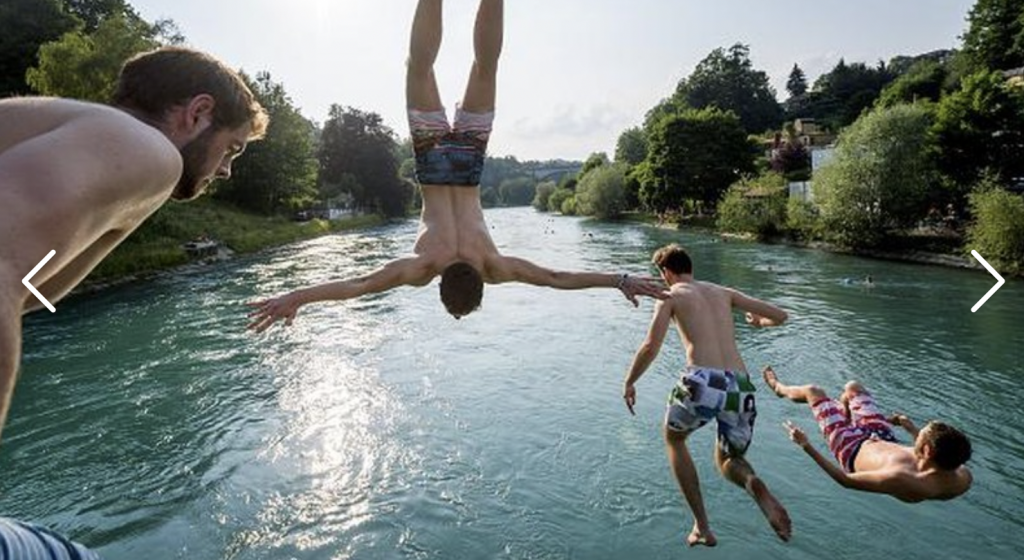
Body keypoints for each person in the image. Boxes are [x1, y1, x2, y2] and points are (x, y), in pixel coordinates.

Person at [247, 0, 664, 332]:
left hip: (468, 162)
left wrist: (621, 280)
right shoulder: (422, 267)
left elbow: (557, 277)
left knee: (485, 67)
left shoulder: (492, 265)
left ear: (480, 285)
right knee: (420, 66)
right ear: (439, 286)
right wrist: (295, 297)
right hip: (431, 160)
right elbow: (358, 285)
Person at [0, 46, 268, 556]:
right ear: (198, 113)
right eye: (232, 149)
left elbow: (27, 288)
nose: (227, 171)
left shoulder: (65, 127)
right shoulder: (147, 150)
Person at [622, 244, 791, 547]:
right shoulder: (723, 291)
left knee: (674, 439)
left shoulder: (670, 295)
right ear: (690, 267)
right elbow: (781, 315)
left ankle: (701, 525)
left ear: (666, 272)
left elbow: (651, 346)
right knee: (729, 459)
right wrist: (758, 322)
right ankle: (753, 483)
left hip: (703, 380)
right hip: (740, 385)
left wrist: (630, 382)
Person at [763, 366, 973, 502]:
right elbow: (938, 451)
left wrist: (805, 445)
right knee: (852, 387)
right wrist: (911, 429)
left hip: (850, 446)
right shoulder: (960, 472)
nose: (918, 435)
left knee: (813, 391)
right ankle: (844, 411)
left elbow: (845, 480)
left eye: (921, 435)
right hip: (882, 436)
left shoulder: (903, 479)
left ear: (926, 451)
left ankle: (778, 388)